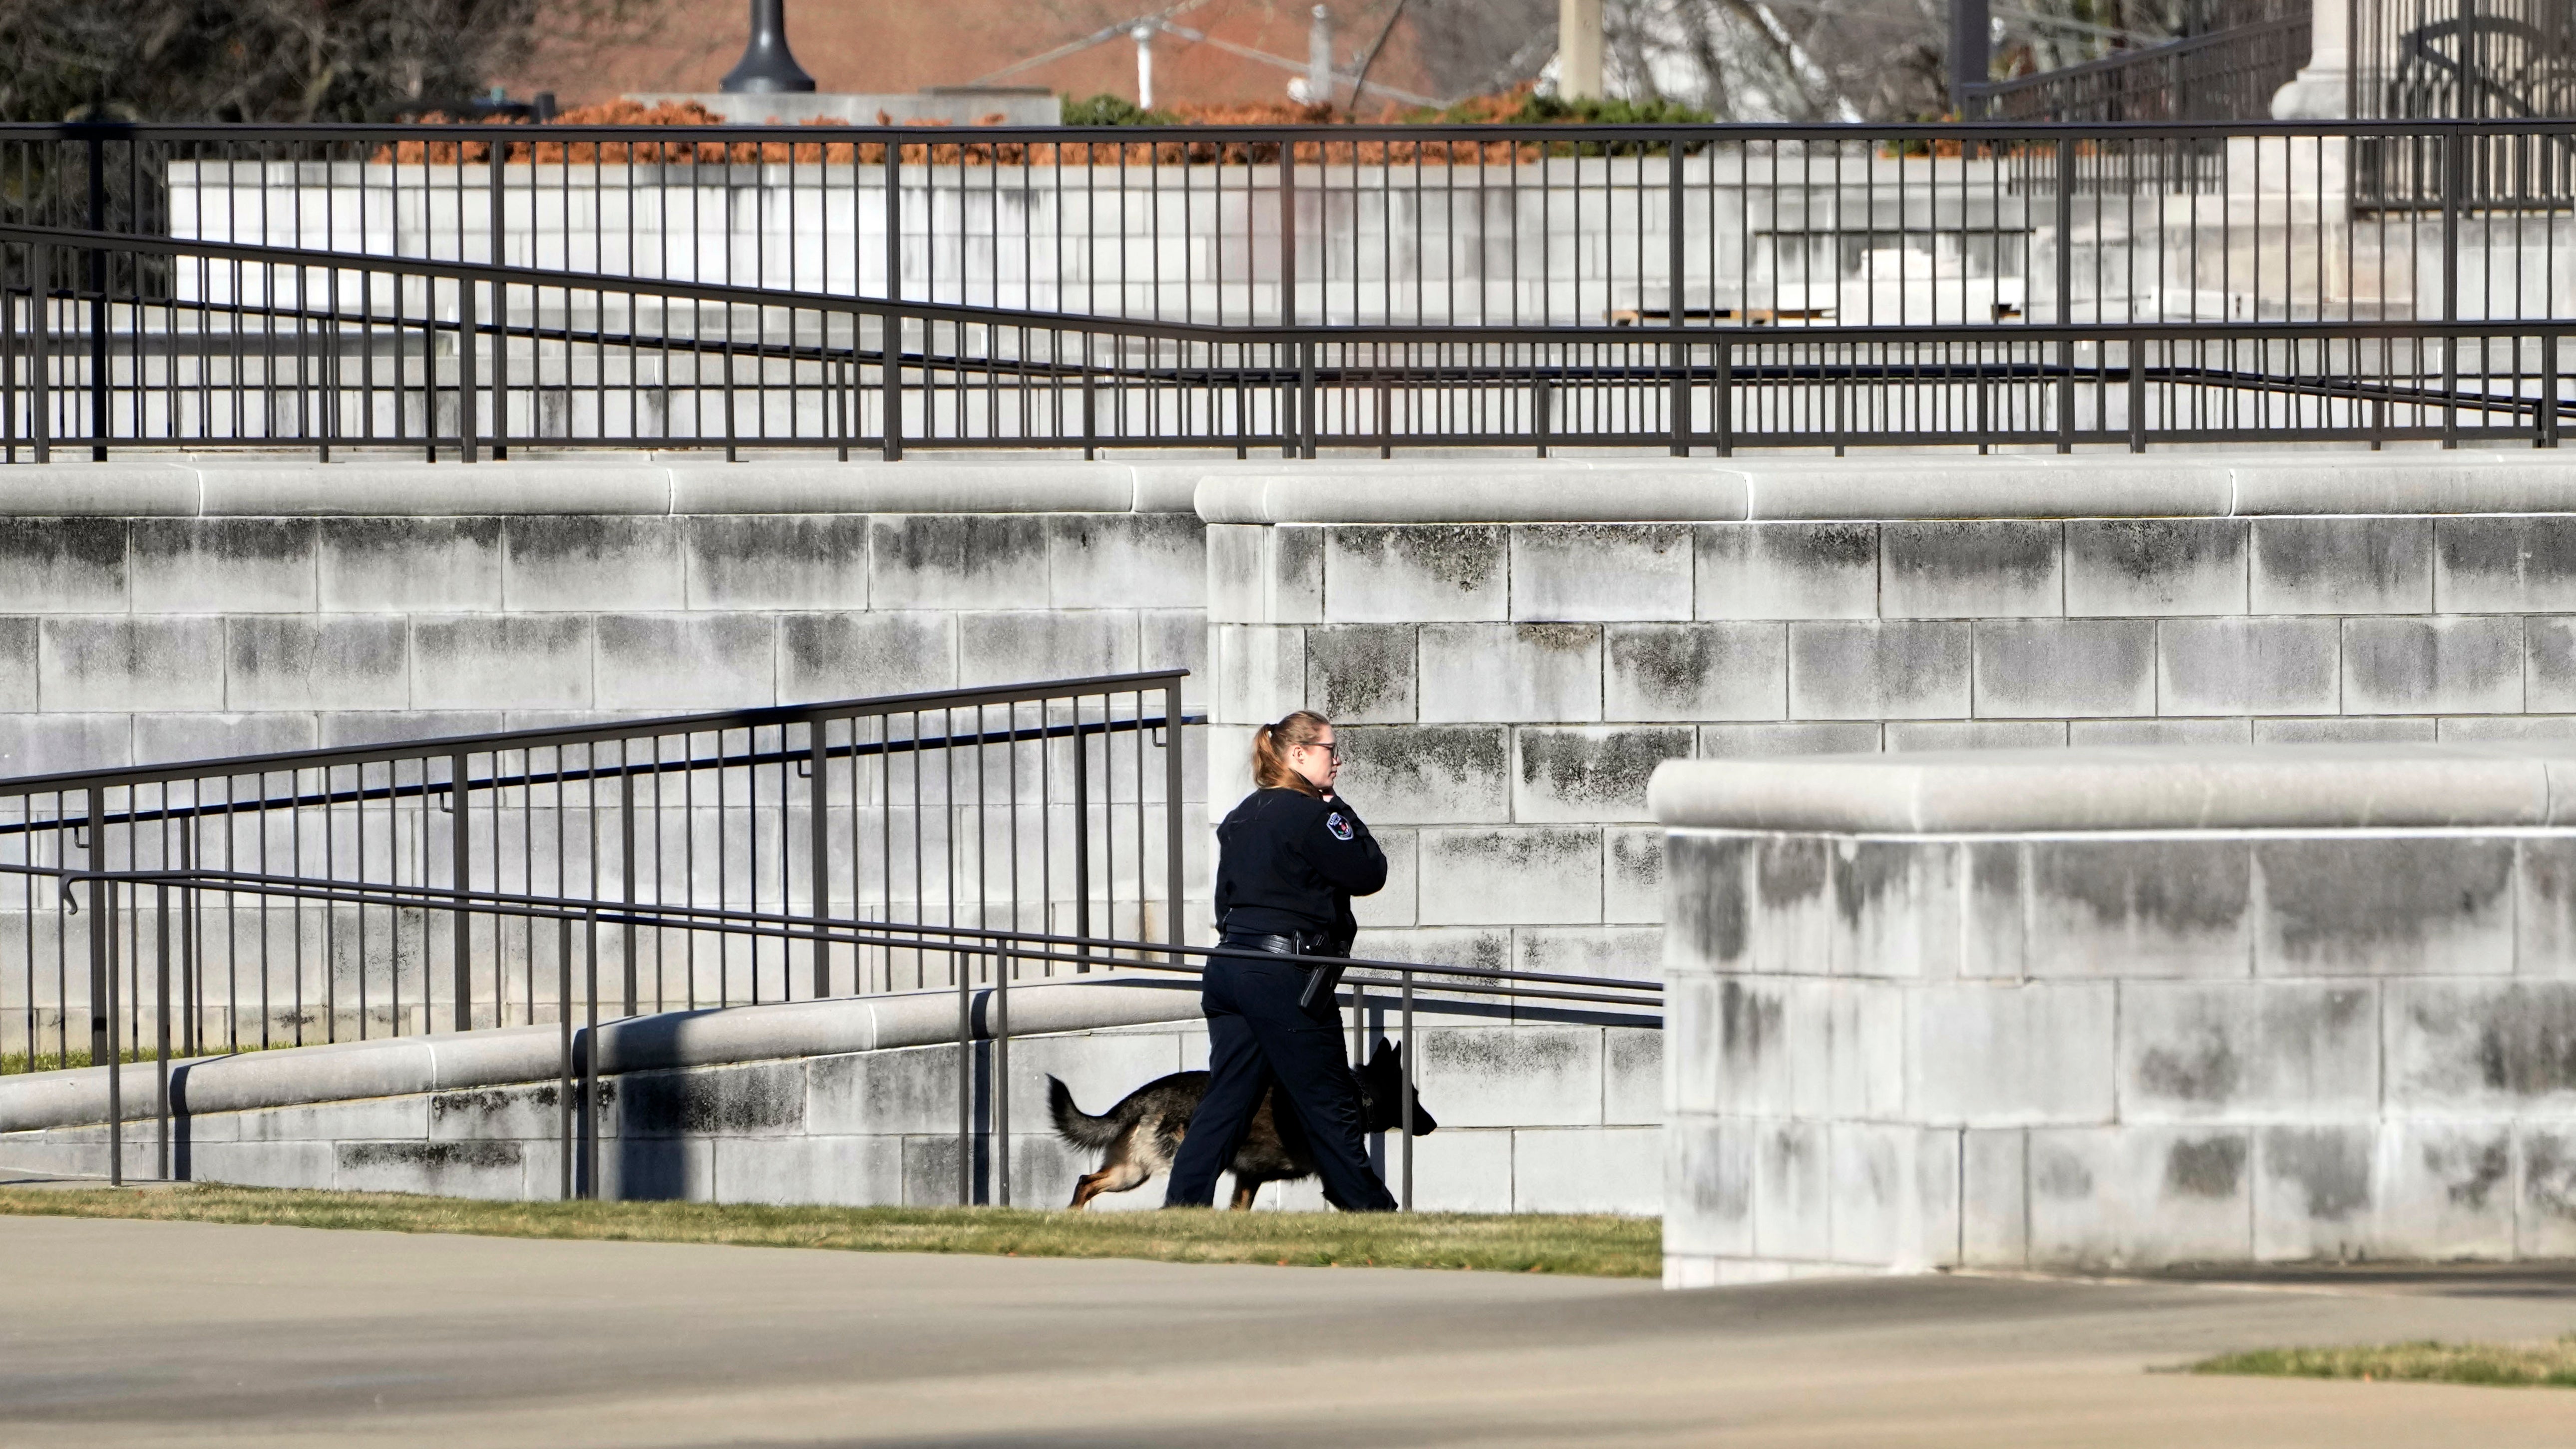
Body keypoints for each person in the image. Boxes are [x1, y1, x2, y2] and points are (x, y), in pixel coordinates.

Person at [1162, 710, 1398, 1212]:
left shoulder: (1240, 817)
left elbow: (1225, 903)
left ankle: (1182, 1207)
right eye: (1329, 750)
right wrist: (1339, 807)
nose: (1337, 760)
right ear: (1298, 754)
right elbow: (1369, 870)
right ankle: (1370, 1210)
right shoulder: (1313, 814)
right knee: (1329, 1099)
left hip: (1229, 968)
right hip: (1283, 975)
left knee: (1228, 1098)